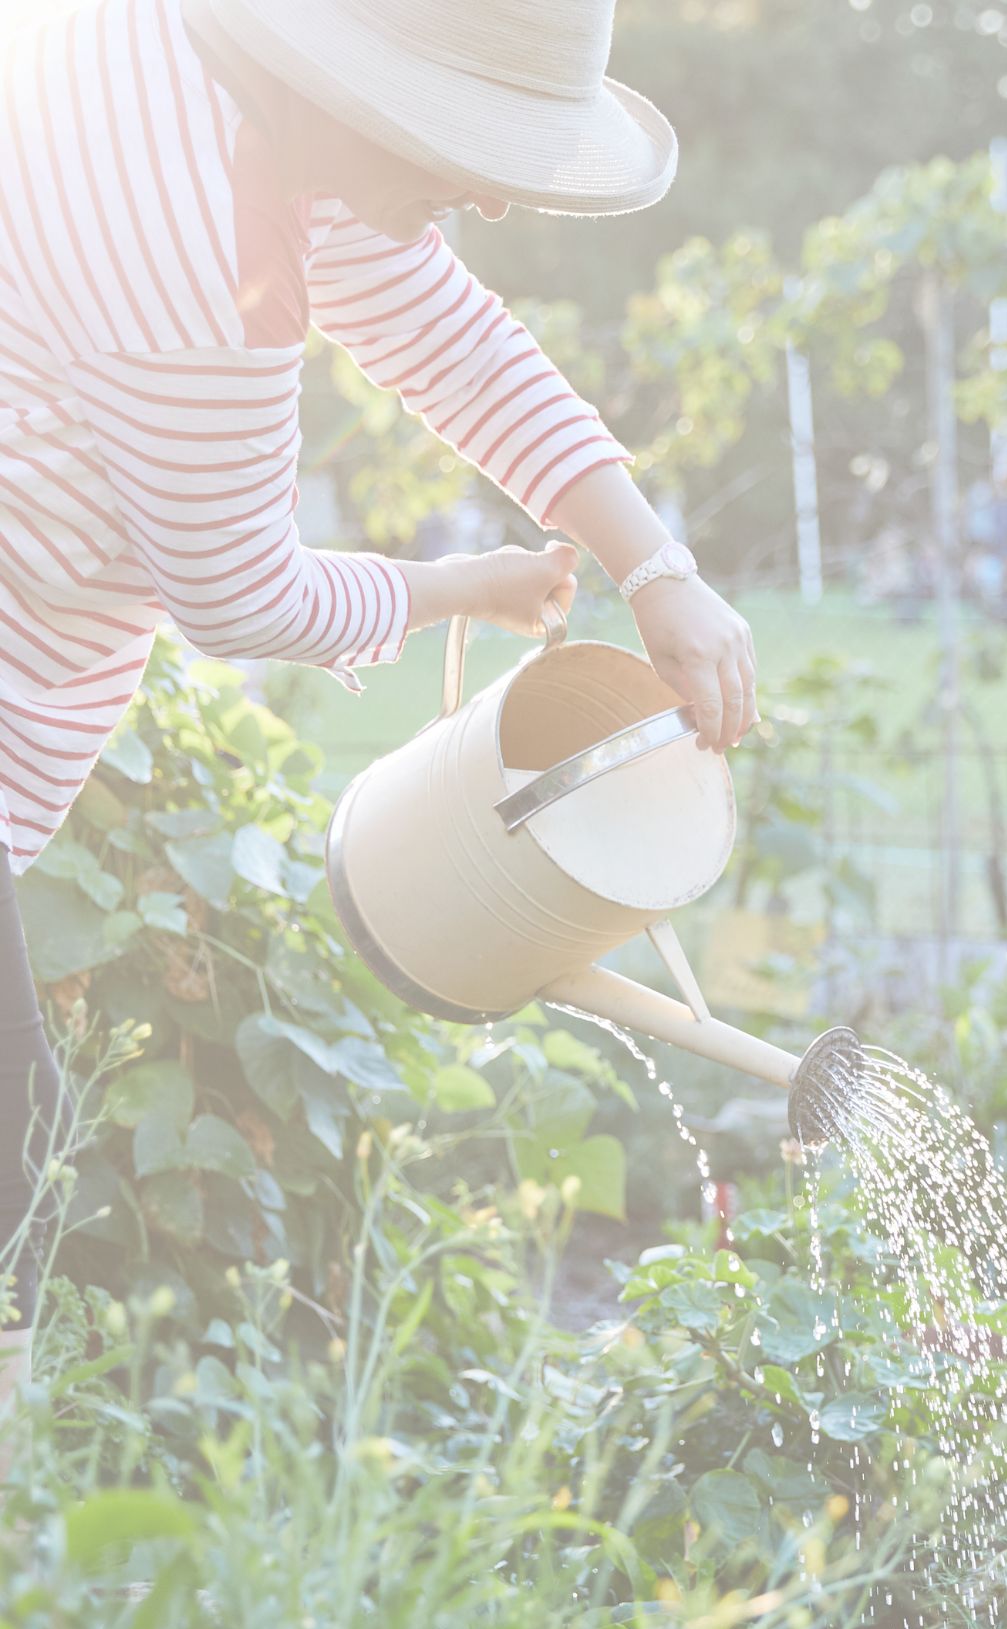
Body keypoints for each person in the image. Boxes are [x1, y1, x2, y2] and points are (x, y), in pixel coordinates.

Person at [0, 0, 759, 1398]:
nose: (485, 193)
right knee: (5, 1154)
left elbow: (447, 335)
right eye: (466, 148)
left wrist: (655, 564)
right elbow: (240, 595)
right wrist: (455, 590)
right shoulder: (189, 258)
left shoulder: (219, 69)